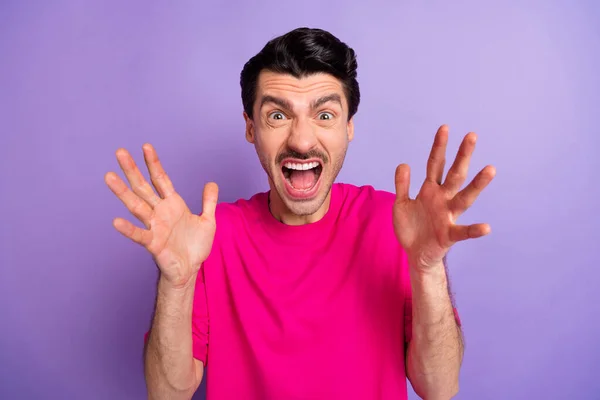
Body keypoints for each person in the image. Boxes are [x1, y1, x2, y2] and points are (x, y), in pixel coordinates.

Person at [105, 27, 495, 400]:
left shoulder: (393, 224)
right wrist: (176, 284)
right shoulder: (209, 237)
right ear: (250, 127)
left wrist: (427, 269)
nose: (302, 140)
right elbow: (167, 393)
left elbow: (439, 388)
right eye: (278, 115)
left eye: (325, 115)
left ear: (349, 128)